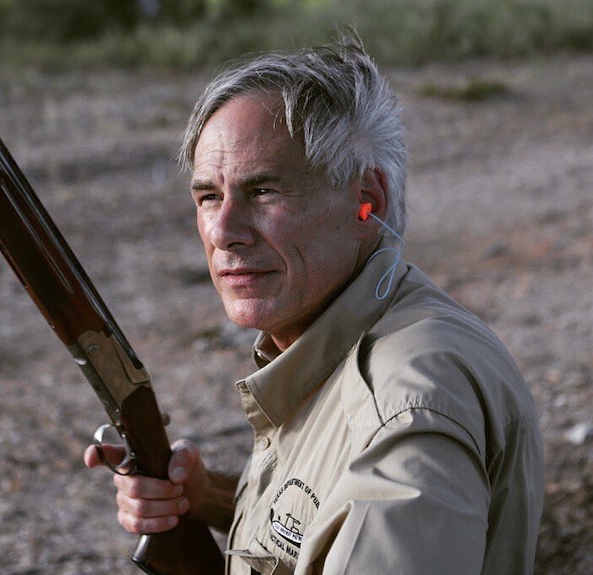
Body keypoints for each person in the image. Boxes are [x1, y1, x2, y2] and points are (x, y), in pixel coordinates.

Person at [84, 34, 544, 575]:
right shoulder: (350, 337)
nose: (224, 232)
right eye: (209, 196)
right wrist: (203, 497)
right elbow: (329, 524)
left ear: (366, 198)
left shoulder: (409, 403)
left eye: (263, 192)